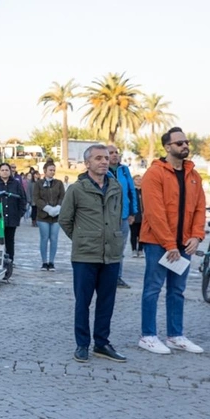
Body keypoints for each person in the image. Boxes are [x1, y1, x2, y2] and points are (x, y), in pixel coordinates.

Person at [138, 127, 206, 355]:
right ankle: (148, 336)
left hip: (184, 244)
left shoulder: (194, 176)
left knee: (177, 291)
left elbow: (199, 209)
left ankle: (175, 335)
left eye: (186, 142)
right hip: (158, 244)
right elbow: (154, 214)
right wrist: (169, 245)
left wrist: (197, 236)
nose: (185, 146)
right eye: (179, 143)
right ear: (167, 147)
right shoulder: (154, 174)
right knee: (153, 289)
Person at [59, 145, 127, 363]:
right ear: (87, 163)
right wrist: (82, 239)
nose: (104, 161)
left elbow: (117, 217)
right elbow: (65, 220)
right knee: (83, 302)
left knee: (107, 302)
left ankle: (102, 343)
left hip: (111, 255)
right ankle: (82, 344)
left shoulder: (116, 186)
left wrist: (113, 238)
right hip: (85, 256)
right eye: (98, 158)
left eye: (106, 158)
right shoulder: (77, 189)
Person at [108, 144, 139, 288]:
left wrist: (133, 212)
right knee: (107, 246)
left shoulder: (124, 170)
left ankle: (117, 276)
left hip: (124, 216)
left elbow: (132, 191)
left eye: (116, 152)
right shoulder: (102, 171)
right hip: (107, 216)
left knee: (119, 248)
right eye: (111, 152)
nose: (114, 155)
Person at [0, 163, 26, 265]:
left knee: (10, 240)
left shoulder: (16, 184)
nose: (5, 172)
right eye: (2, 170)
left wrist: (20, 213)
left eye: (6, 170)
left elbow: (22, 199)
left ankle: (10, 259)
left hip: (12, 217)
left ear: (10, 171)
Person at [33, 159, 65, 271]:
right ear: (45, 171)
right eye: (50, 170)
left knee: (54, 238)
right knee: (44, 238)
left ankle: (51, 261)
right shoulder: (38, 184)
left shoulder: (59, 183)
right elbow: (36, 198)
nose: (52, 172)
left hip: (56, 216)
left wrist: (58, 207)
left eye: (54, 170)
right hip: (43, 216)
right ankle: (44, 262)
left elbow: (62, 197)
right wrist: (46, 208)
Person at [130, 174, 144, 257]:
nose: (139, 181)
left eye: (140, 179)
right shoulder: (132, 191)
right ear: (133, 181)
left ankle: (141, 250)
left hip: (143, 216)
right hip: (134, 215)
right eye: (137, 179)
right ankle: (134, 250)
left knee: (142, 234)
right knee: (133, 234)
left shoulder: (145, 190)